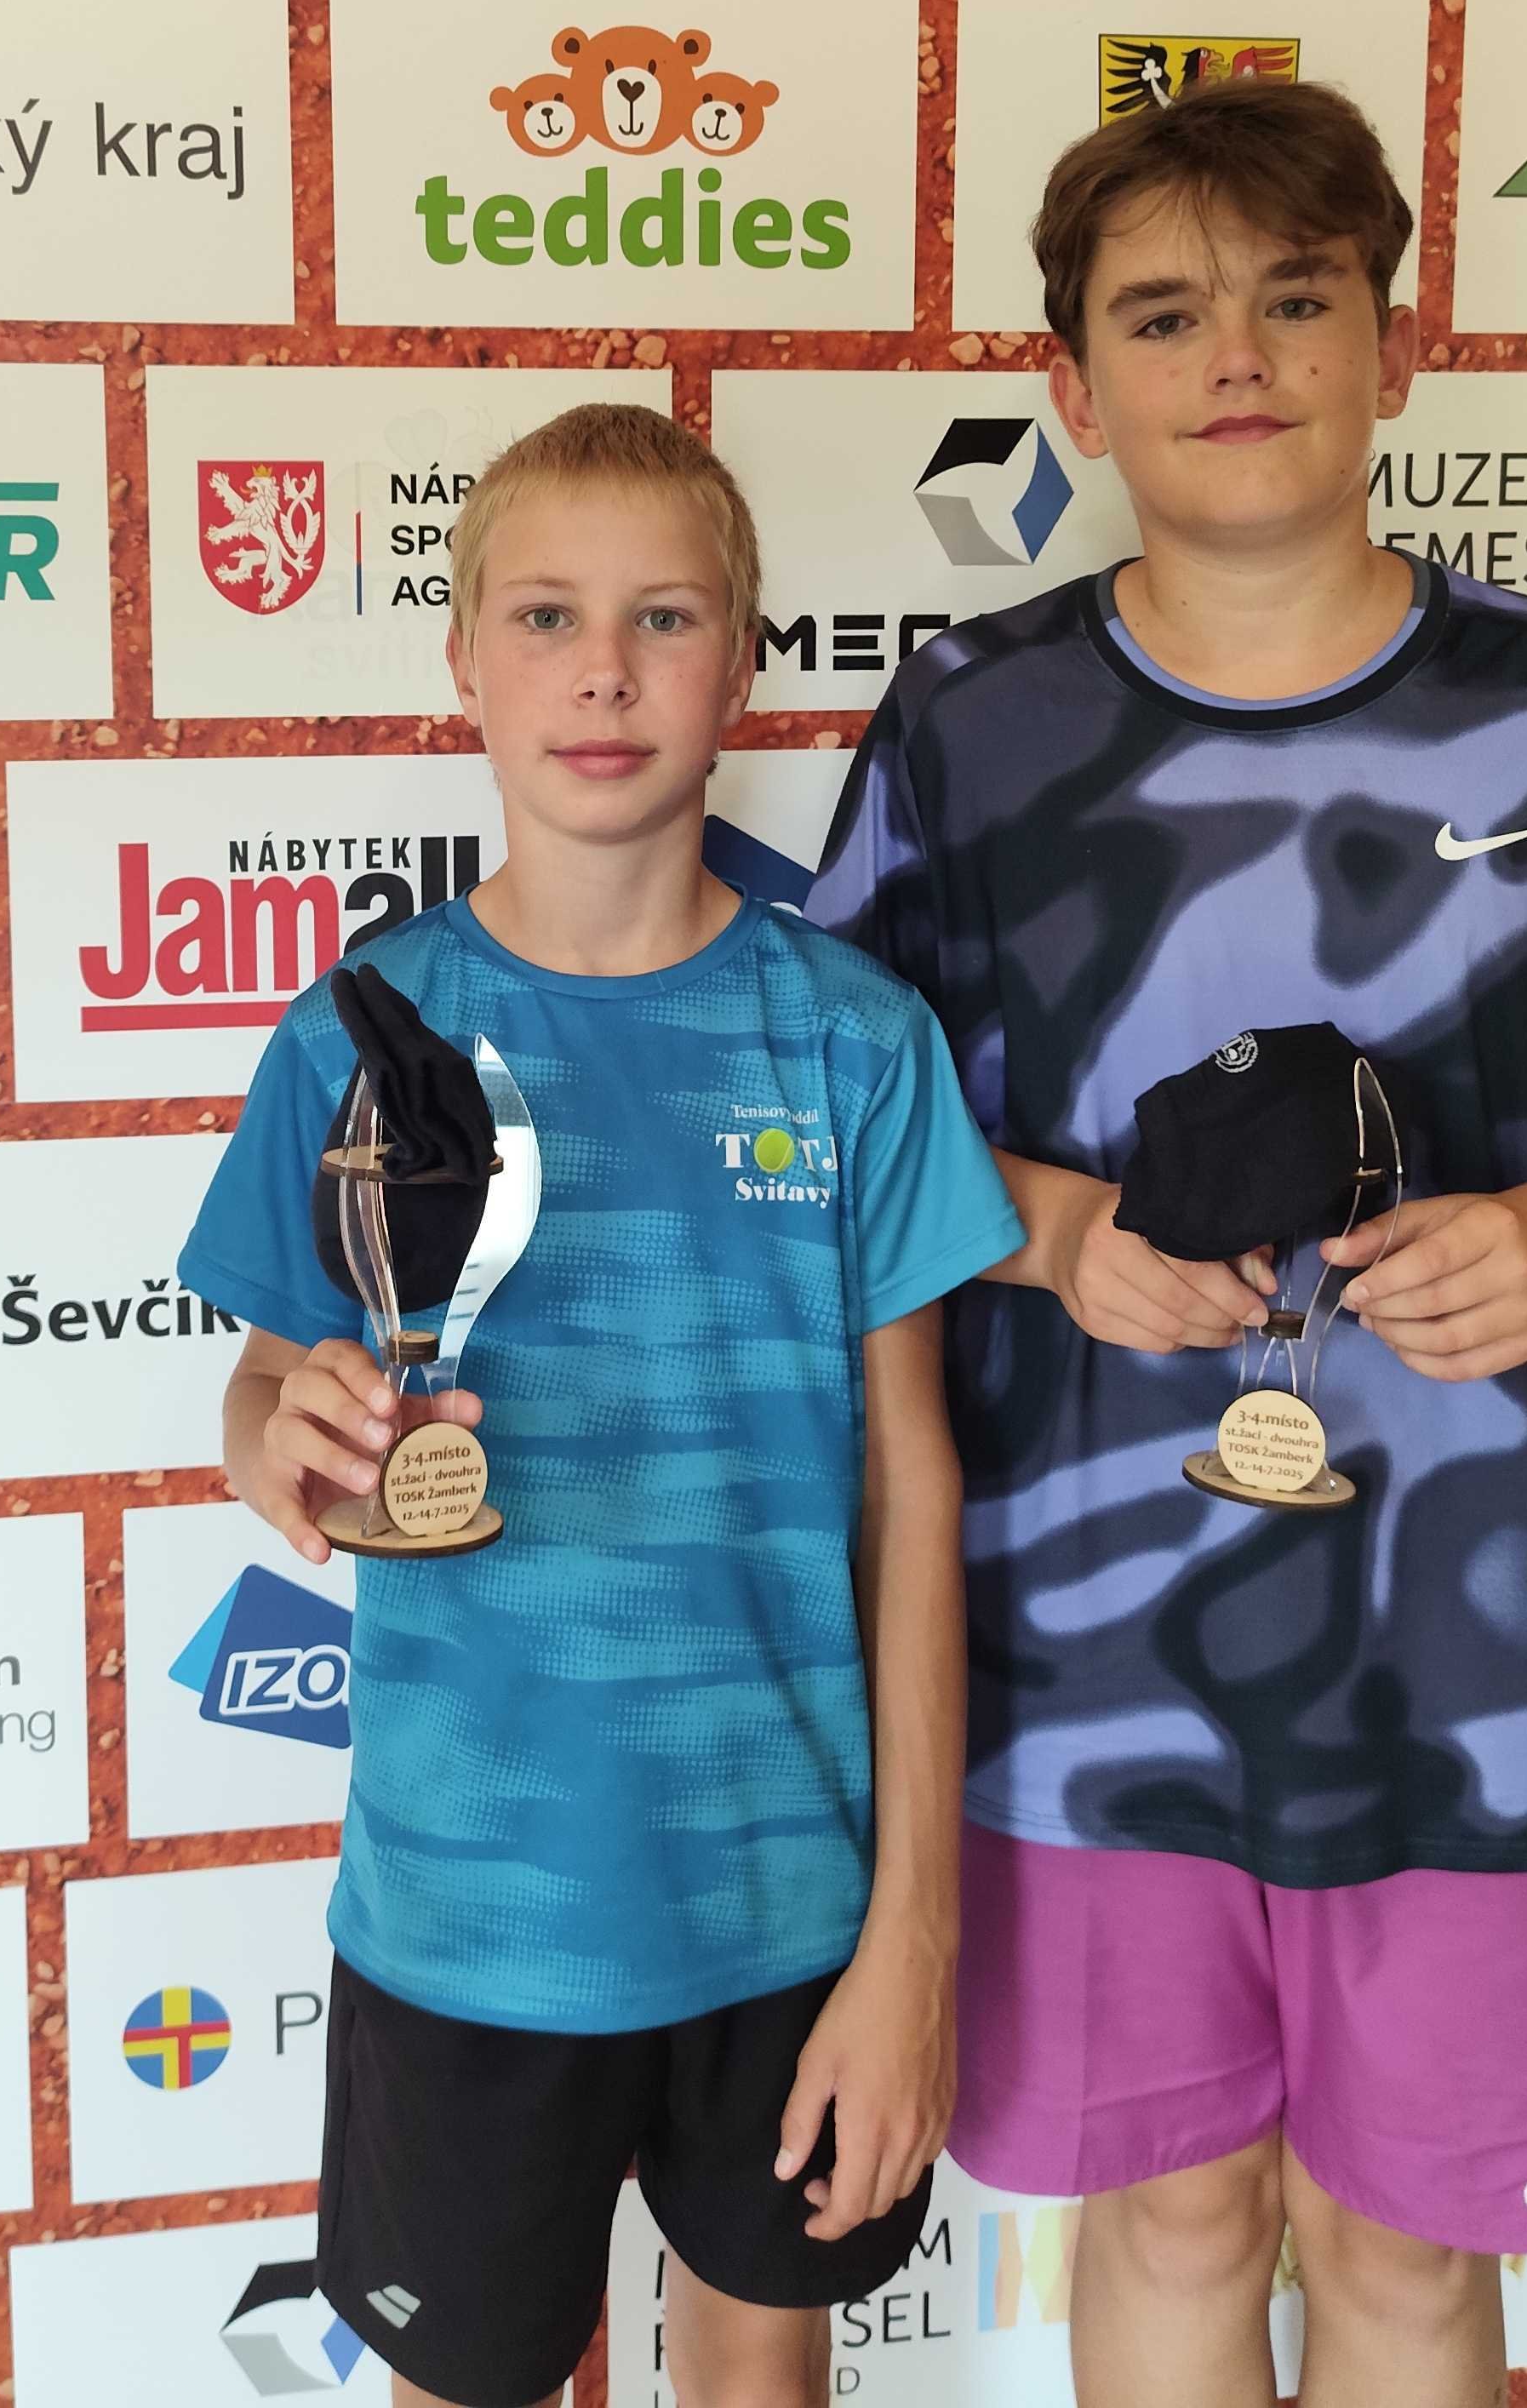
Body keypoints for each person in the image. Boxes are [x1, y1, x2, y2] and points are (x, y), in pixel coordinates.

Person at [804, 78, 1527, 2408]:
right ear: (1071, 387)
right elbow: (837, 1122)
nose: (1233, 355)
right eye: (1163, 315)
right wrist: (1052, 1235)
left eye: (1296, 298)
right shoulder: (967, 722)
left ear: (1393, 348)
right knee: (1171, 2208)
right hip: (1084, 1661)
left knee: (1410, 2249)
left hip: (1475, 1669)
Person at [185, 404, 1023, 2408]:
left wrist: (912, 1933)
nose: (602, 670)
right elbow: (263, 1385)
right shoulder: (362, 1030)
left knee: (760, 2374)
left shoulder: (851, 1039)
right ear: (461, 658)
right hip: (468, 1903)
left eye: (663, 616)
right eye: (546, 614)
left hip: (789, 1902)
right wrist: (271, 1438)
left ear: (741, 664)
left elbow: (910, 1491)